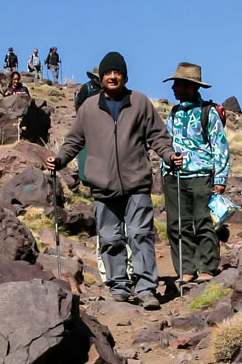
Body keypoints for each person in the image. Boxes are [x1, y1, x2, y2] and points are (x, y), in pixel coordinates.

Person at [46, 51, 182, 309]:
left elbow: (158, 137)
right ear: (101, 78)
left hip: (137, 183)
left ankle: (145, 288)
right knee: (109, 239)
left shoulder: (140, 103)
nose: (112, 77)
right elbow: (74, 141)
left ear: (125, 76)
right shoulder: (88, 108)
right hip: (103, 185)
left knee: (140, 235)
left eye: (116, 73)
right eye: (108, 73)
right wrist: (60, 160)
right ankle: (119, 287)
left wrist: (168, 155)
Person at [160, 62, 230, 284]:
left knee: (203, 222)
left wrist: (220, 178)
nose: (173, 89)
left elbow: (220, 146)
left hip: (201, 176)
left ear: (189, 86)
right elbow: (166, 141)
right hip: (174, 176)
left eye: (177, 84)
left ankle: (207, 267)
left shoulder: (208, 113)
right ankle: (186, 269)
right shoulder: (174, 113)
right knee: (177, 224)